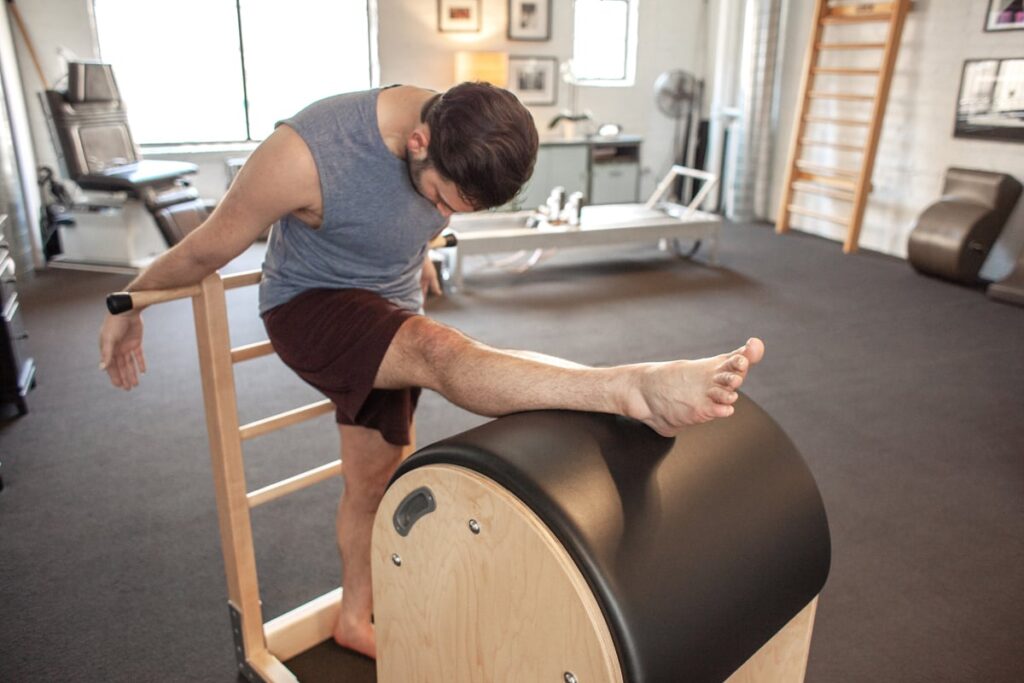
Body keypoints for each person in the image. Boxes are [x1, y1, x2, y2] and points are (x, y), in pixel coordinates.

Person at [99, 82, 765, 659]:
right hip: (309, 307)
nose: (442, 216)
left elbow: (412, 215)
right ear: (419, 141)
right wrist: (127, 301)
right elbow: (206, 247)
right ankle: (629, 387)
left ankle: (353, 617)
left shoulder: (456, 122)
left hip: (388, 304)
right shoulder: (303, 155)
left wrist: (414, 249)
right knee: (440, 352)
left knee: (373, 478)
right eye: (443, 199)